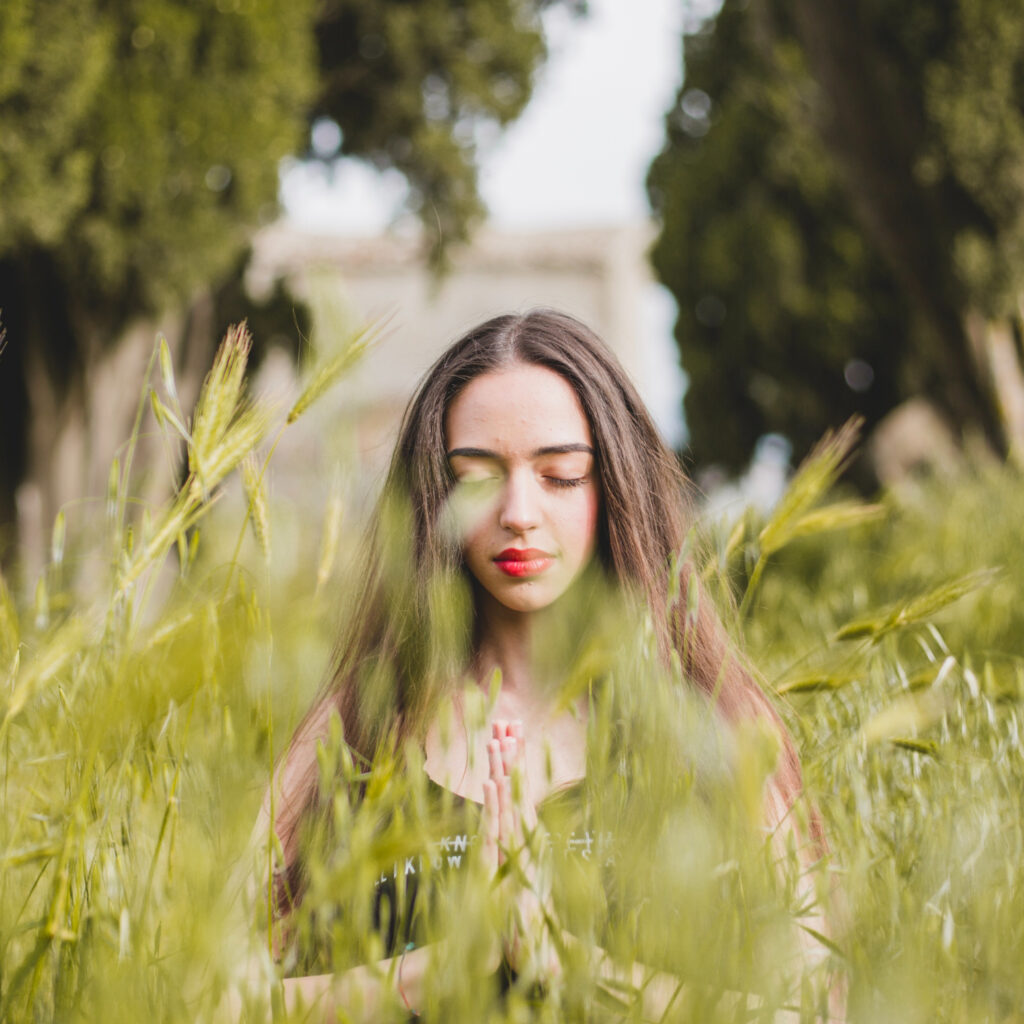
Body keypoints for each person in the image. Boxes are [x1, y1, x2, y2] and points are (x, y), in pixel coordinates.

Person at [246, 309, 831, 1021]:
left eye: (560, 476)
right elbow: (203, 997)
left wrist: (569, 964)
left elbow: (814, 1006)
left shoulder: (717, 728)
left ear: (614, 486)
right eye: (477, 479)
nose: (519, 511)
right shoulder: (355, 727)